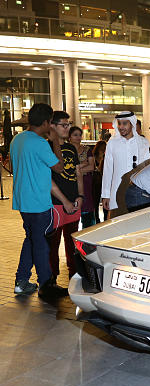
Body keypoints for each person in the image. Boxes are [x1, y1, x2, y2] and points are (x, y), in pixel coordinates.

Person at [11, 103, 69, 298]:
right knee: (41, 243)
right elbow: (59, 167)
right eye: (50, 122)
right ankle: (46, 284)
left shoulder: (17, 140)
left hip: (23, 201)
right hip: (38, 202)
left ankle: (22, 280)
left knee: (32, 239)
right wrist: (55, 142)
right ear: (45, 122)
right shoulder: (41, 143)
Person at [48, 111, 84, 282]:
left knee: (72, 241)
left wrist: (81, 195)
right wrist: (65, 202)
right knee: (53, 244)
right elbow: (47, 180)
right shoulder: (46, 147)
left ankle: (74, 275)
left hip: (73, 202)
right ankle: (51, 279)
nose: (67, 128)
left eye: (68, 124)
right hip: (55, 203)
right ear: (52, 126)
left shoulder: (70, 148)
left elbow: (78, 174)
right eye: (64, 124)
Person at [101, 111, 150, 218]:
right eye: (119, 123)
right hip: (116, 191)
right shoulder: (112, 143)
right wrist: (106, 195)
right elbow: (108, 169)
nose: (121, 127)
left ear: (132, 123)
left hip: (138, 192)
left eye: (124, 123)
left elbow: (147, 169)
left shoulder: (143, 142)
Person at [70, 126, 95, 228]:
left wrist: (76, 170)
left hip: (86, 183)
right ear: (69, 137)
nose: (78, 137)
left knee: (87, 209)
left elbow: (92, 166)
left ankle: (88, 239)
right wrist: (83, 164)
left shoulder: (87, 149)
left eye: (80, 135)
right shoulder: (66, 150)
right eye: (75, 135)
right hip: (71, 184)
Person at [91, 140, 106, 224]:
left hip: (101, 182)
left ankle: (100, 219)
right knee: (95, 202)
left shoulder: (105, 157)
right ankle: (97, 219)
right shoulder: (94, 157)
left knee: (101, 202)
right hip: (97, 182)